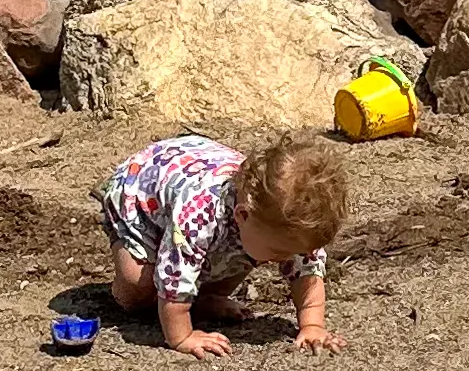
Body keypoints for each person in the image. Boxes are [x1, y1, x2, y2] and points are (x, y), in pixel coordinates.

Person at [102, 134, 350, 357]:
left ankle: (205, 296)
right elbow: (175, 275)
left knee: (244, 251)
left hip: (195, 176)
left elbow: (307, 271)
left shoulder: (286, 223)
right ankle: (122, 293)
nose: (286, 260)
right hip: (138, 196)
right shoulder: (198, 216)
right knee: (139, 285)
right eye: (280, 253)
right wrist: (182, 336)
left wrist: (312, 326)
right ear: (243, 216)